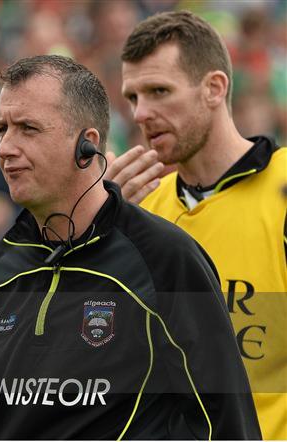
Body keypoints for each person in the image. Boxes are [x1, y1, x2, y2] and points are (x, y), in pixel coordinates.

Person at [0, 55, 261, 439]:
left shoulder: (165, 259)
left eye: (28, 129)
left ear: (87, 145)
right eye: (2, 129)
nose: (4, 148)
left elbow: (226, 422)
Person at [109, 11, 286, 440]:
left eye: (158, 91)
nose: (141, 113)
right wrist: (95, 242)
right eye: (133, 97)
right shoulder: (139, 207)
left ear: (214, 88)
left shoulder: (281, 188)